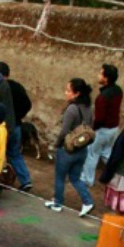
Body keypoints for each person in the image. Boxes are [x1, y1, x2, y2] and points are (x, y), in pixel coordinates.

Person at [45, 78, 95, 217]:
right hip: (82, 149)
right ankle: (87, 201)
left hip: (68, 150)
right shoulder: (89, 108)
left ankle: (57, 203)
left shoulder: (72, 109)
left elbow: (64, 131)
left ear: (76, 93)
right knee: (75, 178)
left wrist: (57, 145)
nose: (65, 93)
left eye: (68, 90)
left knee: (60, 177)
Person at [82, 64, 123, 187]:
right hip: (114, 128)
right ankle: (118, 175)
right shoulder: (118, 91)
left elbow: (99, 118)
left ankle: (87, 179)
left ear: (106, 78)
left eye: (101, 74)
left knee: (92, 153)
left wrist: (91, 129)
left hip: (103, 130)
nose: (98, 76)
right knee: (106, 153)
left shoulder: (102, 97)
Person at [0, 61, 32, 192]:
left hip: (2, 126)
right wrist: (18, 116)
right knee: (15, 154)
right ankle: (25, 180)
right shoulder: (18, 87)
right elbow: (28, 104)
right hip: (17, 126)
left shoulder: (0, 88)